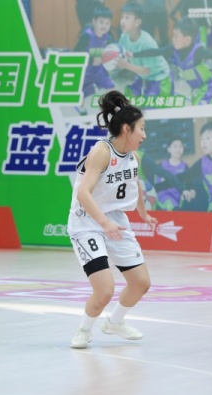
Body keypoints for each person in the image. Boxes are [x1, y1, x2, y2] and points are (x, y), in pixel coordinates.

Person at [68, 90, 157, 349]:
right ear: (127, 129)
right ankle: (84, 330)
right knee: (104, 290)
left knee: (141, 283)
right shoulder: (101, 151)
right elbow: (83, 194)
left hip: (115, 220)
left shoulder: (133, 157)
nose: (144, 134)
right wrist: (103, 224)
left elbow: (134, 185)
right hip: (87, 221)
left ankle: (114, 322)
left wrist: (143, 213)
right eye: (141, 128)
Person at [128, 17, 212, 105]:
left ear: (187, 40)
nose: (173, 39)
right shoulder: (173, 49)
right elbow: (156, 52)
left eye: (176, 36)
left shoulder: (198, 51)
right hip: (195, 91)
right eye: (173, 35)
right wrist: (133, 54)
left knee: (200, 109)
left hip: (209, 87)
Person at [116, 1, 174, 99]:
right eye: (122, 17)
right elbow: (122, 56)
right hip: (143, 77)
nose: (122, 21)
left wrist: (126, 65)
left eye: (127, 18)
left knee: (150, 106)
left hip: (160, 79)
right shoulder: (123, 37)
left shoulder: (147, 42)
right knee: (128, 97)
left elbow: (146, 70)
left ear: (137, 22)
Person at [73, 5, 116, 107]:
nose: (104, 26)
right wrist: (91, 60)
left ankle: (111, 110)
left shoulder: (108, 38)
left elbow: (113, 51)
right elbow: (75, 54)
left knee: (111, 89)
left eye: (107, 23)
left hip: (100, 71)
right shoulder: (86, 36)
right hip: (85, 72)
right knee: (81, 96)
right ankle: (81, 110)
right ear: (94, 21)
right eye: (101, 22)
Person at [143, 136, 188, 210]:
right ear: (169, 149)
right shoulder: (161, 165)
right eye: (175, 146)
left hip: (178, 199)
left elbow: (187, 185)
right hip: (164, 198)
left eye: (180, 146)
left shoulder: (185, 166)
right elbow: (155, 184)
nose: (178, 149)